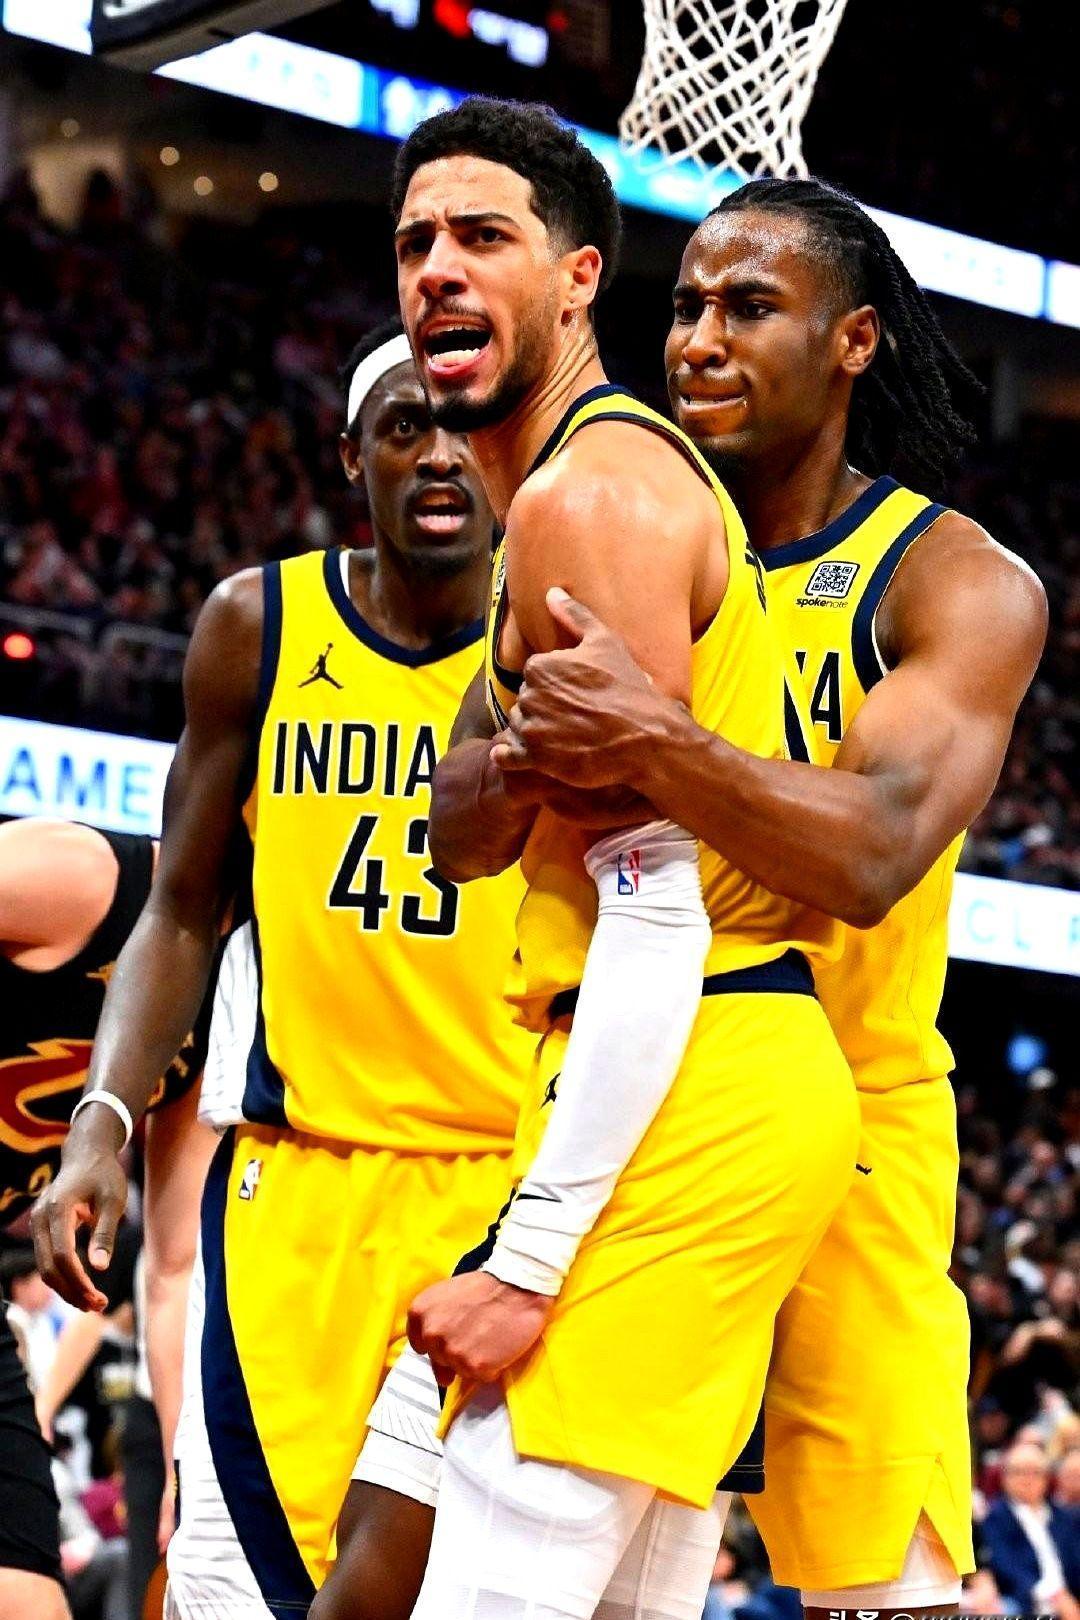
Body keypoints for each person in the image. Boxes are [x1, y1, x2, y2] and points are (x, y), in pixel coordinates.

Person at [469, 178, 1048, 1615]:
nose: (699, 342)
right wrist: (521, 741)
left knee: (885, 1594)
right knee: (563, 1557)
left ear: (853, 341)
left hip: (854, 1124)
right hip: (642, 1098)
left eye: (748, 307)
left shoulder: (952, 580)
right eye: (684, 308)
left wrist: (655, 742)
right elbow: (459, 834)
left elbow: (872, 855)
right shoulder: (633, 515)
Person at [343, 95, 859, 1620]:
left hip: (689, 1065)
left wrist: (530, 1262)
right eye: (415, 244)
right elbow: (465, 836)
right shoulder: (559, 495)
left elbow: (653, 912)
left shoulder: (593, 494)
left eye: (482, 237)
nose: (438, 269)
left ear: (577, 279)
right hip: (697, 1075)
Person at [33, 319, 535, 1620]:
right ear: (352, 455)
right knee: (236, 1588)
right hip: (292, 1193)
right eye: (405, 427)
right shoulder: (255, 626)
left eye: (465, 428)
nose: (440, 456)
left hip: (501, 1197)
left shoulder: (560, 640)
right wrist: (101, 1120)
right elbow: (179, 909)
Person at [0, 817, 211, 1620]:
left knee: (31, 1604)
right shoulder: (87, 877)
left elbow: (172, 1269)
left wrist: (186, 1472)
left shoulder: (233, 997)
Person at [980, 1442, 1080, 1615]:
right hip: (1025, 1600)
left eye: (1035, 1472)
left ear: (1047, 1478)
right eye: (1018, 1472)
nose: (1027, 1479)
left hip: (1070, 1599)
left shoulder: (1063, 1517)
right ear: (1004, 1478)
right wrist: (1053, 1598)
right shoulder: (996, 1518)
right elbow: (1006, 1566)